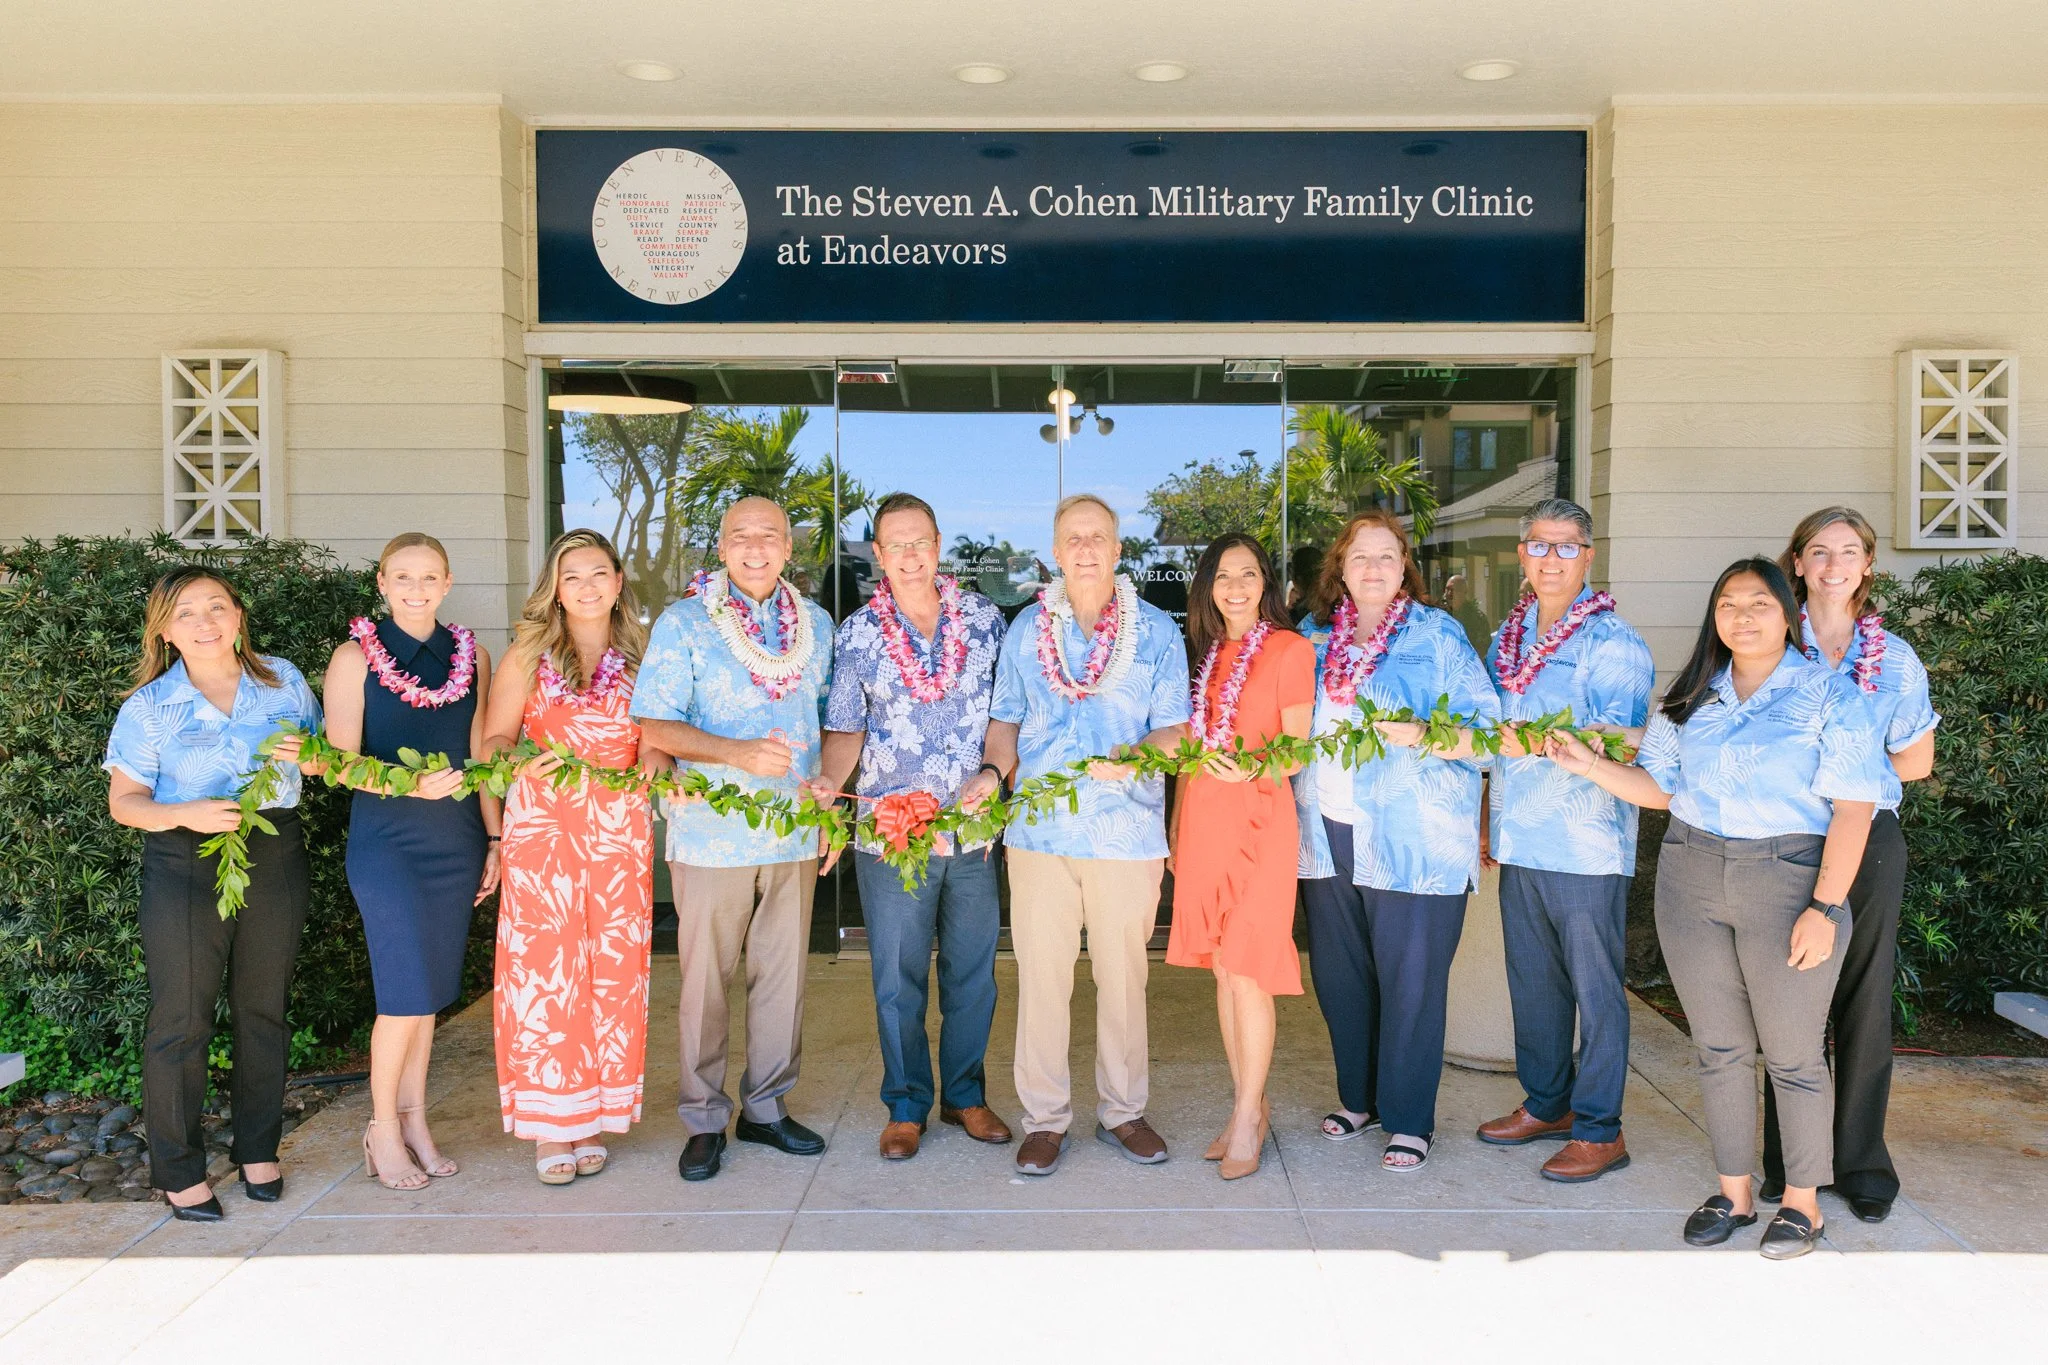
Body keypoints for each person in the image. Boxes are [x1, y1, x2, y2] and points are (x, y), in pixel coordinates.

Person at [1549, 557, 1887, 1260]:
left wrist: (1825, 907)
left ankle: (1801, 1203)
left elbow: (1855, 810)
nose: (1740, 615)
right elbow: (1660, 787)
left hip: (1789, 877)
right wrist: (1588, 765)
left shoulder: (1831, 695)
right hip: (1691, 872)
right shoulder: (1695, 692)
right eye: (1727, 603)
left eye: (1757, 602)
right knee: (1720, 1047)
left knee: (1793, 1053)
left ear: (1786, 613)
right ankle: (1734, 1190)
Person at [980, 493, 1191, 1176]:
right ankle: (1044, 1119)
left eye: (1098, 536)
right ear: (1055, 550)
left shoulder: (1158, 631)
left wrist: (1136, 756)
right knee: (1041, 979)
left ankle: (1124, 1111)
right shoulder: (1024, 631)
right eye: (1074, 536)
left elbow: (1175, 729)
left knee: (1123, 979)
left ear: (1119, 549)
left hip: (1126, 832)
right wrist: (991, 772)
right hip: (1040, 831)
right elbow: (1006, 719)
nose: (1087, 548)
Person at [104, 567, 321, 1221]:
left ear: (238, 614)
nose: (205, 622)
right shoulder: (149, 706)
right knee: (181, 1019)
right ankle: (178, 1171)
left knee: (264, 1008)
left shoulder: (282, 679)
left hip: (274, 850)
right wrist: (185, 814)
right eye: (187, 612)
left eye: (216, 606)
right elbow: (125, 802)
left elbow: (325, 759)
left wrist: (309, 753)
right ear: (166, 630)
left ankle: (258, 1149)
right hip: (184, 863)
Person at [632, 497, 836, 1183]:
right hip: (712, 834)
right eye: (741, 536)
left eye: (769, 535)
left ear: (789, 546)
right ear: (720, 548)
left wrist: (830, 797)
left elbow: (832, 721)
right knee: (706, 984)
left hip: (793, 832)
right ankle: (702, 1116)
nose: (755, 547)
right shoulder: (684, 622)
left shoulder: (818, 625)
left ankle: (767, 1107)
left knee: (783, 979)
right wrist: (734, 753)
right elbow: (654, 726)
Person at [1295, 511, 1500, 1172]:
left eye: (1387, 556)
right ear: (1341, 567)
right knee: (1341, 974)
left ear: (1404, 565)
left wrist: (1425, 733)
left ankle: (1409, 1118)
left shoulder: (1437, 634)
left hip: (1415, 837)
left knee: (1411, 981)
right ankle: (1360, 1098)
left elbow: (1488, 730)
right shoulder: (1313, 640)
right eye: (1361, 556)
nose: (1374, 568)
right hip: (1325, 831)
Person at [813, 492, 1012, 1160]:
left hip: (973, 831)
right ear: (877, 554)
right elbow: (845, 729)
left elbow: (1006, 716)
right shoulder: (858, 633)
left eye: (919, 541)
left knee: (973, 971)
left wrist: (995, 772)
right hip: (890, 835)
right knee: (897, 976)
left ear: (938, 543)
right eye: (894, 544)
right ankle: (905, 1104)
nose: (908, 554)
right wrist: (827, 792)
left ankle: (965, 1095)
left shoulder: (986, 620)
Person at [1762, 507, 1939, 1223]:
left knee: (1864, 1002)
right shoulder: (1766, 641)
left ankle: (1862, 1160)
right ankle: (1789, 1160)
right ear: (1796, 563)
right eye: (1817, 552)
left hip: (1867, 841)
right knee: (1786, 1005)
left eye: (1847, 552)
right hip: (1779, 841)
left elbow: (1917, 761)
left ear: (1867, 564)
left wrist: (1853, 781)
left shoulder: (1892, 658)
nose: (1832, 565)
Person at [1476, 499, 1654, 1183]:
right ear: (1523, 554)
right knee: (1535, 984)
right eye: (1539, 545)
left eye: (1565, 546)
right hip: (1523, 839)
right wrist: (1491, 812)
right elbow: (1493, 737)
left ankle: (1600, 1128)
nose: (1551, 558)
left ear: (1588, 557)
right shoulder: (1509, 636)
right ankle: (1547, 1103)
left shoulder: (1614, 644)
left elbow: (1621, 749)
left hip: (1585, 846)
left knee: (1596, 992)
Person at [481, 529, 663, 1186]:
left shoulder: (644, 658)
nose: (586, 587)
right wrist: (525, 758)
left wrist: (652, 759)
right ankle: (551, 1126)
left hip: (619, 831)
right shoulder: (529, 654)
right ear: (555, 589)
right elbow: (494, 741)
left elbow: (658, 738)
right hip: (546, 827)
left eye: (597, 573)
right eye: (571, 576)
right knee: (547, 973)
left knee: (610, 972)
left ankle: (592, 1114)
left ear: (618, 581)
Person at [323, 532, 499, 1190]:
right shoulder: (353, 657)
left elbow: (481, 756)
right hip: (389, 841)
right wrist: (403, 783)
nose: (416, 588)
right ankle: (381, 1128)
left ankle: (417, 1120)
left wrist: (496, 840)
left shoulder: (471, 654)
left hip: (456, 838)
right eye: (404, 577)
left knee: (427, 996)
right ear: (382, 582)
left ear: (447, 583)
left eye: (429, 577)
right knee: (400, 995)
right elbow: (338, 761)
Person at [1166, 534, 1316, 1181]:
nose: (1235, 586)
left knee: (1250, 969)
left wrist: (1246, 768)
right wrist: (1177, 830)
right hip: (1204, 822)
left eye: (1248, 573)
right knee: (1224, 972)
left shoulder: (1290, 649)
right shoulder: (1207, 656)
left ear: (1267, 582)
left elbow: (1298, 748)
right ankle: (1246, 1104)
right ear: (1207, 586)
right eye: (1223, 575)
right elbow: (1191, 754)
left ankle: (1251, 1113)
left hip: (1259, 821)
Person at [1445, 573, 1492, 654]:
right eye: (1447, 589)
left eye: (1453, 590)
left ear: (1464, 592)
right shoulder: (1441, 615)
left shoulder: (1477, 618)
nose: (1449, 594)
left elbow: (1483, 649)